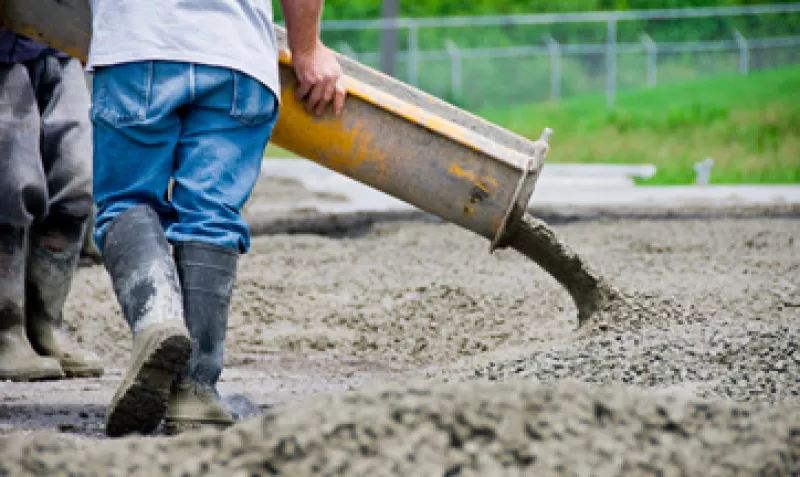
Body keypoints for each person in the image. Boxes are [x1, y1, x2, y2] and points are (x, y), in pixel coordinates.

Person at [87, 0, 346, 436]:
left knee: (127, 201)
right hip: (235, 54)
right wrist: (308, 50)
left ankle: (157, 320)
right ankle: (195, 390)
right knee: (211, 217)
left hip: (136, 43)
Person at [0, 30, 103, 381]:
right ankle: (6, 330)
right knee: (10, 183)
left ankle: (47, 324)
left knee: (77, 180)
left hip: (60, 41)